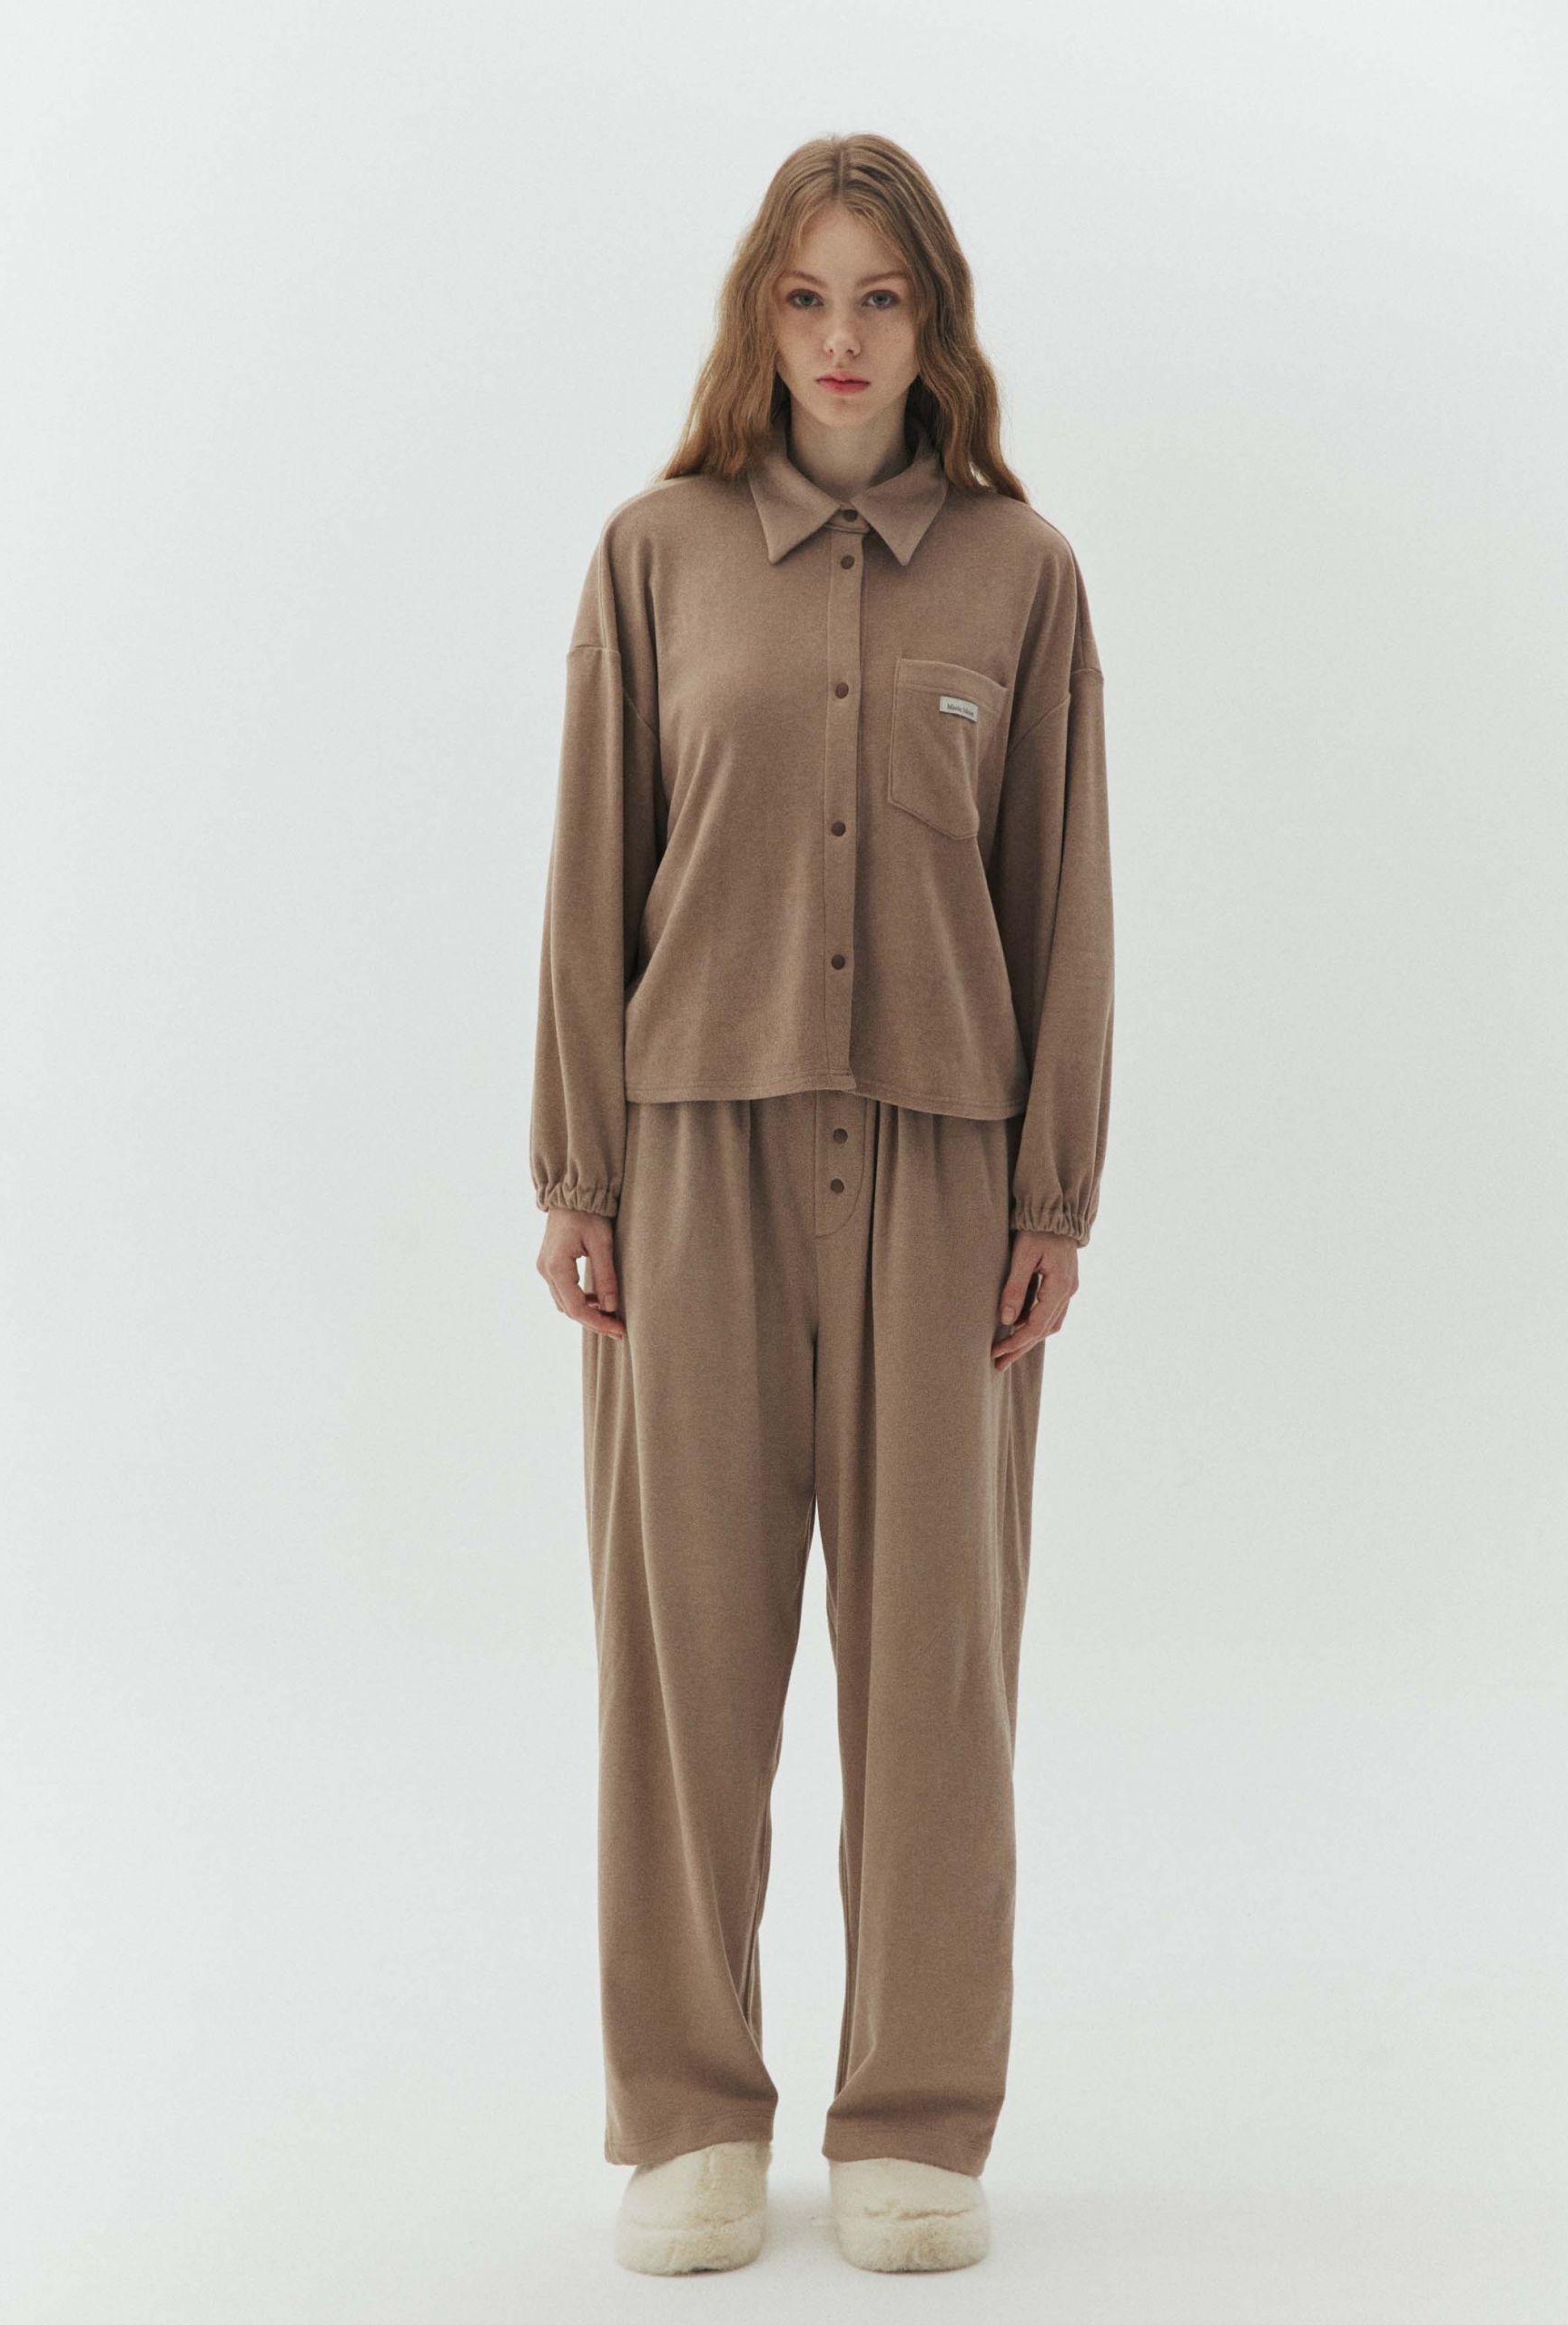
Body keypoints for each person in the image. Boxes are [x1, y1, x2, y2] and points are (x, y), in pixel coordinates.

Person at [529, 131, 1115, 2276]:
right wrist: (578, 1166)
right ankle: (688, 2111)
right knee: (682, 1658)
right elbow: (591, 871)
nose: (844, 339)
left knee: (935, 1674)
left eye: (882, 297)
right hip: (692, 1153)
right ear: (756, 319)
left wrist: (1055, 1189)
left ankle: (916, 2113)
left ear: (931, 321)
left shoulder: (1023, 575)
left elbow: (1063, 894)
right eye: (807, 297)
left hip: (951, 1175)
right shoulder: (655, 555)